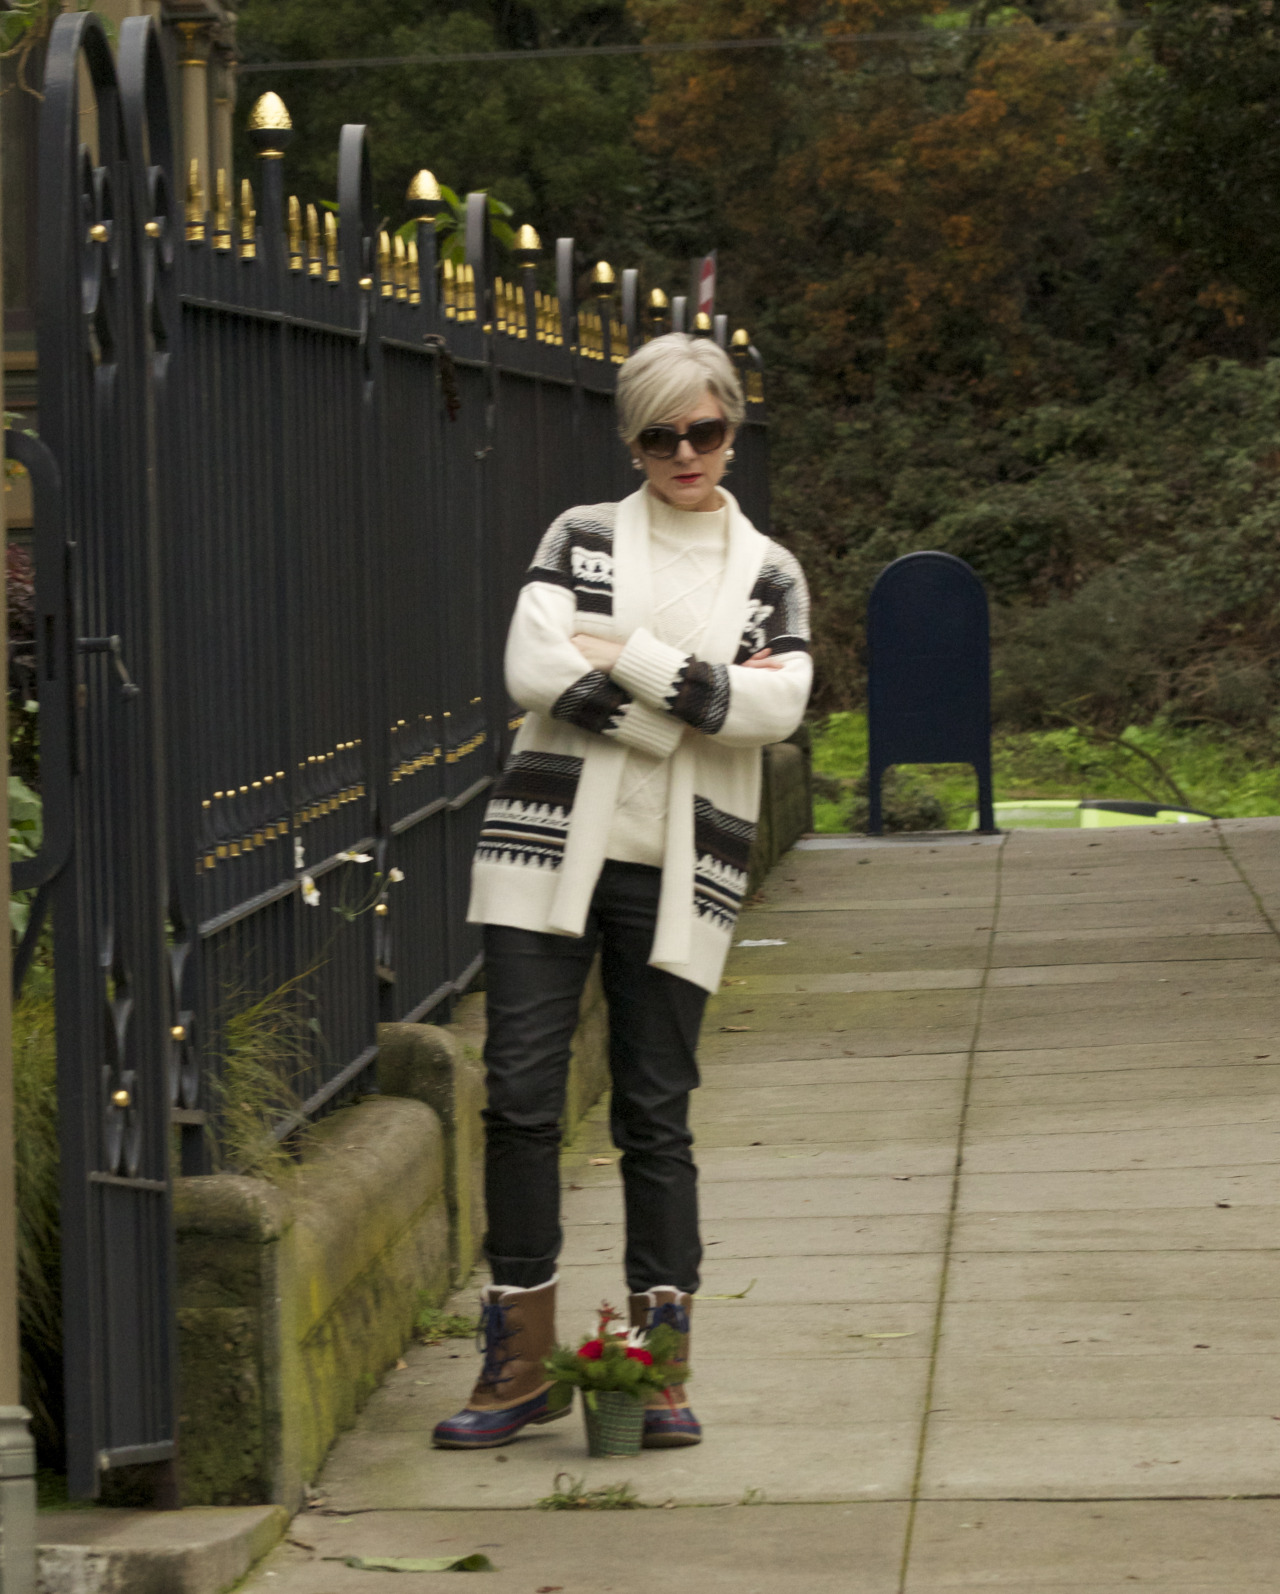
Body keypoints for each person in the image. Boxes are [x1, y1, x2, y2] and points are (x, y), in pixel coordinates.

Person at [432, 331, 812, 1450]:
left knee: (655, 1110)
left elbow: (776, 708)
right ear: (632, 440)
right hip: (544, 851)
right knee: (518, 1097)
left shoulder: (770, 573)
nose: (684, 452)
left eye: (705, 430)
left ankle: (657, 1372)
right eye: (659, 435)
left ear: (733, 429)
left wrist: (621, 658)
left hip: (684, 868)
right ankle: (516, 1366)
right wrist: (693, 697)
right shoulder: (580, 535)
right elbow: (531, 667)